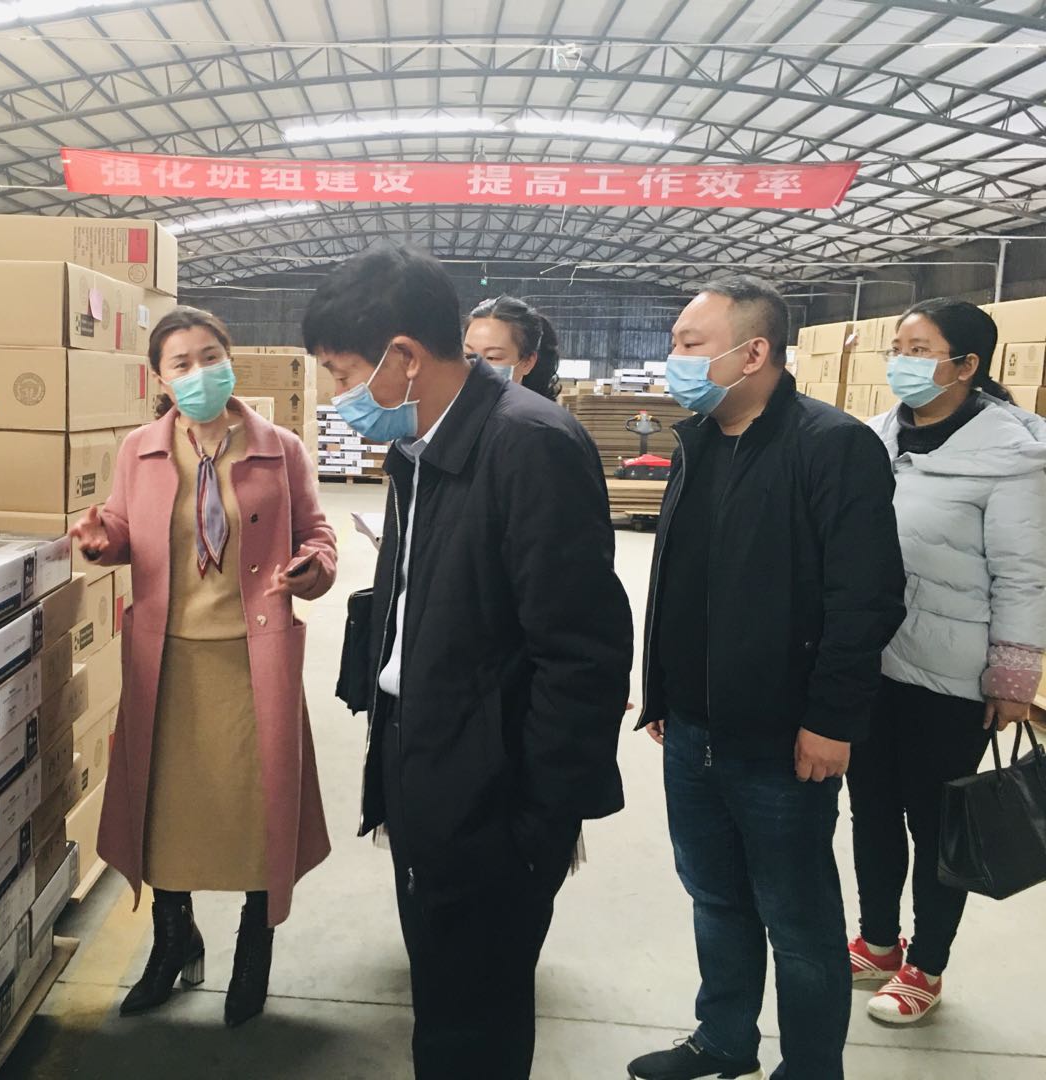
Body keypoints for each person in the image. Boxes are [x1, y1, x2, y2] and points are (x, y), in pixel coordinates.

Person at [304, 244, 633, 1080]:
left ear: (404, 357)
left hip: (496, 794)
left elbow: (583, 655)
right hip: (427, 760)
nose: (337, 394)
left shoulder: (528, 445)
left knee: (476, 1019)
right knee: (444, 994)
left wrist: (538, 826)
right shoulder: (424, 448)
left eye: (343, 372)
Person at [628, 277, 906, 1080]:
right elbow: (681, 579)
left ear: (752, 353)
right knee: (715, 896)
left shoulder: (831, 445)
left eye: (690, 343)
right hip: (694, 728)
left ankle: (812, 1066)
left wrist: (832, 720)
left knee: (798, 917)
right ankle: (724, 1039)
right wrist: (665, 692)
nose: (675, 358)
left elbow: (866, 598)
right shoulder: (697, 442)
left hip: (785, 738)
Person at [70, 305, 336, 1028]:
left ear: (230, 359)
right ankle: (173, 940)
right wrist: (100, 540)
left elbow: (316, 533)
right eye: (181, 364)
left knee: (259, 807)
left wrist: (312, 567)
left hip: (254, 659)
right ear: (159, 379)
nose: (199, 373)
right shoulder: (139, 451)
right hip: (168, 660)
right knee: (163, 810)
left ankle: (255, 948)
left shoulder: (281, 449)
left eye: (210, 357)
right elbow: (124, 529)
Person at [847, 298, 1046, 1024]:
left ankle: (926, 965)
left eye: (919, 348)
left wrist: (1013, 677)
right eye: (897, 347)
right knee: (869, 809)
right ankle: (877, 941)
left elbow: (1024, 573)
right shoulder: (872, 438)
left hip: (950, 674)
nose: (902, 361)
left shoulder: (1013, 456)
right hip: (869, 661)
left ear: (966, 366)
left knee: (936, 825)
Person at [465, 294, 562, 400]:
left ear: (527, 362)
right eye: (468, 355)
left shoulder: (536, 410)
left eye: (492, 357)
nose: (475, 367)